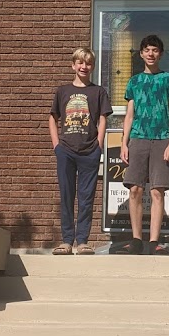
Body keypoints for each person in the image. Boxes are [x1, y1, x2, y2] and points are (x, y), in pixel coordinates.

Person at [117, 34, 169, 255]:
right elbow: (129, 115)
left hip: (162, 138)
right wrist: (124, 143)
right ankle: (136, 240)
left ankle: (154, 241)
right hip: (138, 138)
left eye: (154, 50)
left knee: (157, 191)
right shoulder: (134, 82)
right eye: (147, 50)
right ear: (141, 53)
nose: (151, 54)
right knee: (135, 189)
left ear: (160, 54)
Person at [49, 47, 112, 255]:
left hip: (90, 150)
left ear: (92, 67)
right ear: (73, 65)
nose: (84, 66)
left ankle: (83, 241)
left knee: (86, 197)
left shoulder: (98, 92)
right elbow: (53, 118)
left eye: (88, 63)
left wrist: (99, 144)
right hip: (66, 150)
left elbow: (103, 118)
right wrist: (56, 145)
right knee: (66, 195)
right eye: (80, 62)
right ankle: (67, 241)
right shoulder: (62, 91)